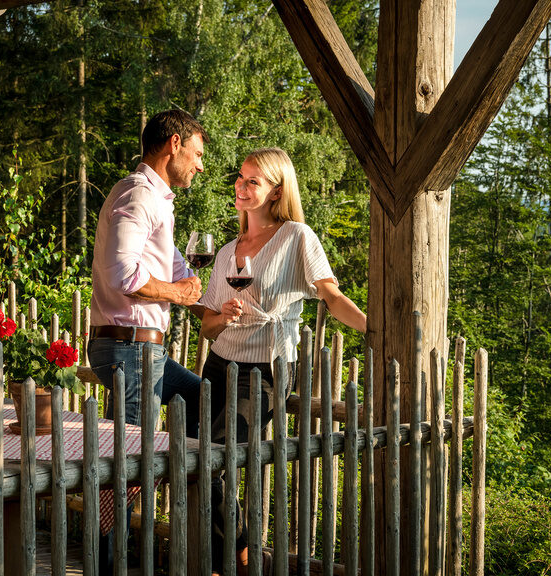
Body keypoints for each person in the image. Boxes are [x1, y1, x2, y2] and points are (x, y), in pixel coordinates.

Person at [199, 147, 367, 573]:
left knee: (216, 461)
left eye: (253, 180)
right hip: (218, 364)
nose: (241, 185)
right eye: (240, 177)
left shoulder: (296, 237)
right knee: (198, 460)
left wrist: (374, 329)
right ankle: (230, 557)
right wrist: (223, 316)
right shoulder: (227, 250)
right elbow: (207, 327)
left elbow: (331, 296)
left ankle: (239, 559)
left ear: (276, 191)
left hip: (265, 368)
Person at [88, 109, 208, 575]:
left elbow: (171, 263)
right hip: (131, 348)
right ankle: (109, 566)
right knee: (128, 471)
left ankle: (179, 475)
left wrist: (203, 299)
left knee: (199, 397)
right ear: (174, 144)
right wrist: (177, 293)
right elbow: (125, 275)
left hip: (141, 349)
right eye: (197, 153)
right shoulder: (138, 194)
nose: (200, 165)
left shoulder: (154, 199)